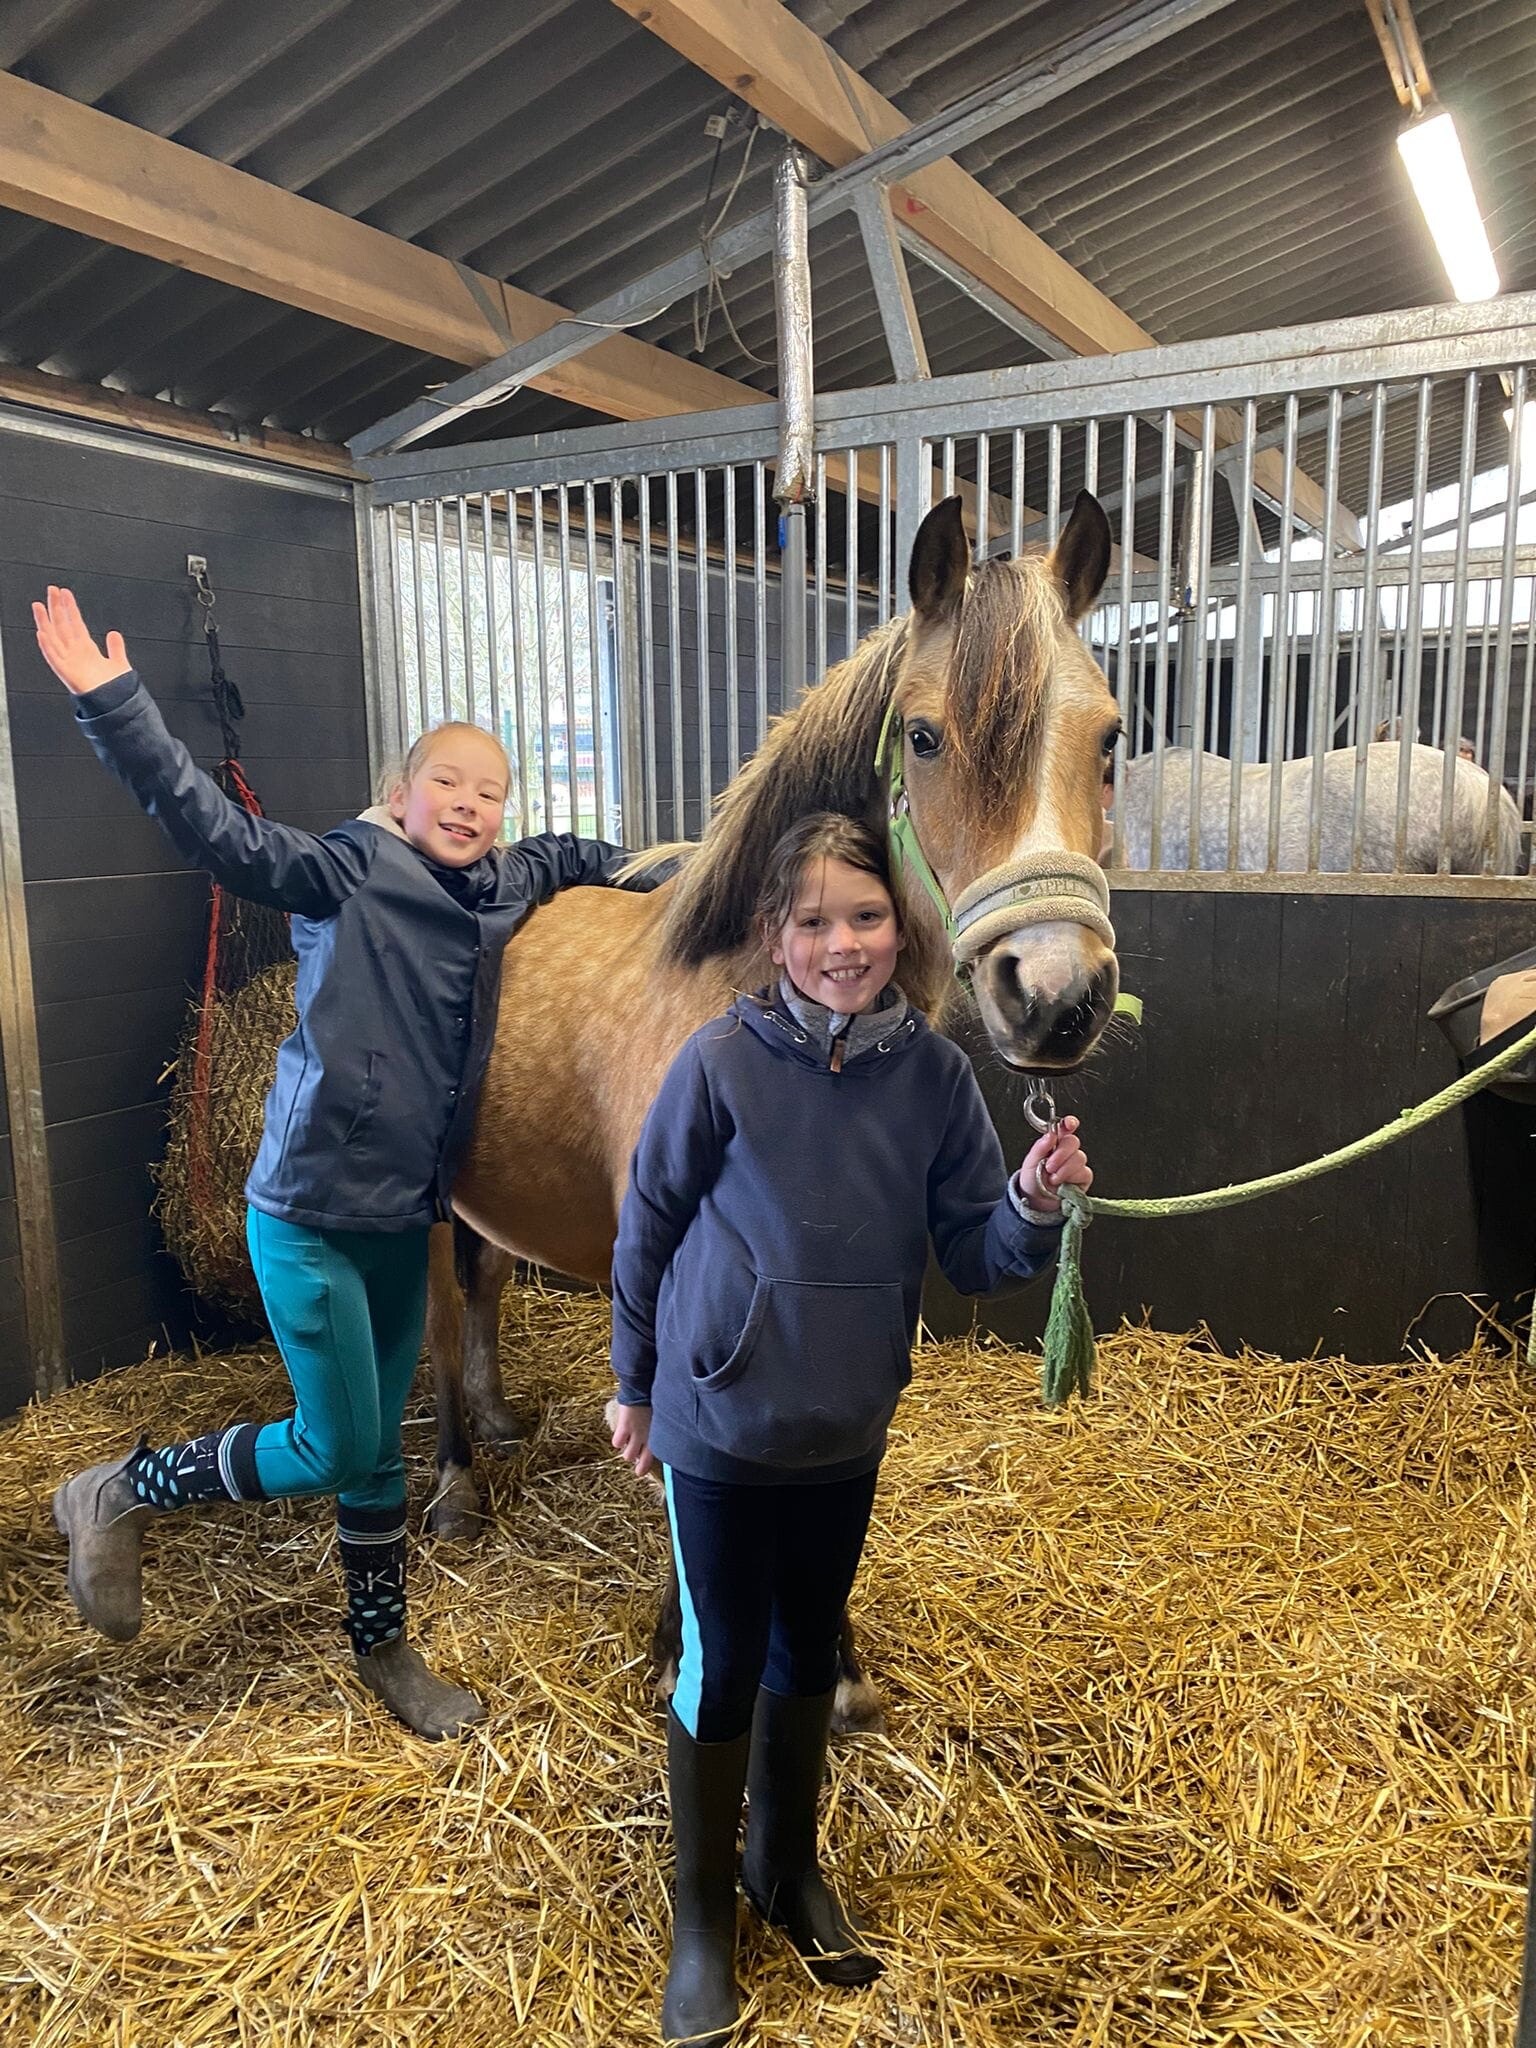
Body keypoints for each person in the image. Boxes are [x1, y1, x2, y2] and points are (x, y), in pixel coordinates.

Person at [37, 585, 647, 1740]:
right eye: (449, 783)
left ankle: (385, 1651)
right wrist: (116, 706)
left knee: (377, 1460)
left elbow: (565, 854)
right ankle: (110, 1490)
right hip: (310, 1212)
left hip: (398, 1222)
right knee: (335, 1443)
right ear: (397, 792)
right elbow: (211, 829)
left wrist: (661, 872)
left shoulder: (497, 887)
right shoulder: (340, 870)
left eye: (491, 793)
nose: (470, 804)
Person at [607, 812, 1092, 2046]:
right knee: (721, 1662)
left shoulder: (932, 1077)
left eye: (867, 917)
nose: (843, 943)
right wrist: (636, 1380)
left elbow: (977, 1253)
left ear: (903, 928)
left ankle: (785, 1864)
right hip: (719, 1421)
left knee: (810, 1647)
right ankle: (703, 1920)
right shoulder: (717, 1062)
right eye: (815, 920)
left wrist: (1033, 1201)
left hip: (845, 1425)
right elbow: (649, 1227)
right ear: (774, 934)